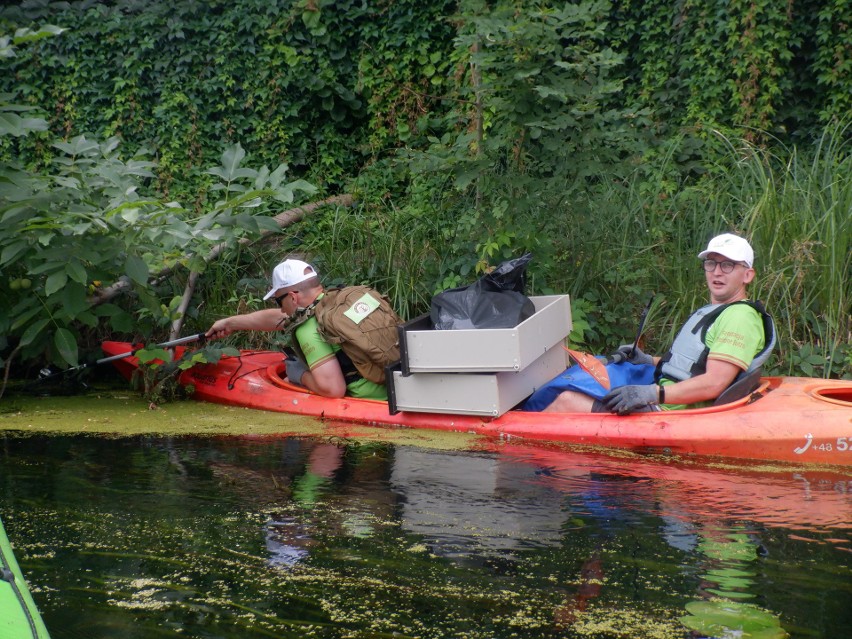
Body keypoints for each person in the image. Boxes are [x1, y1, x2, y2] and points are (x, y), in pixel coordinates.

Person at [543, 233, 775, 414]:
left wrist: (653, 393)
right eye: (711, 263)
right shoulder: (718, 311)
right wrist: (648, 361)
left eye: (728, 265)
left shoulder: (739, 318)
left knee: (567, 401)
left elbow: (714, 383)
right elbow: (691, 366)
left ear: (747, 275)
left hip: (673, 413)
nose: (717, 272)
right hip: (667, 399)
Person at [206, 259, 389, 400]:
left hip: (372, 401)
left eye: (279, 301)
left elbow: (333, 390)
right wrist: (230, 323)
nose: (281, 308)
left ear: (293, 298)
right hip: (393, 388)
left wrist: (299, 375)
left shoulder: (308, 330)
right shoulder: (338, 301)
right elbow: (281, 316)